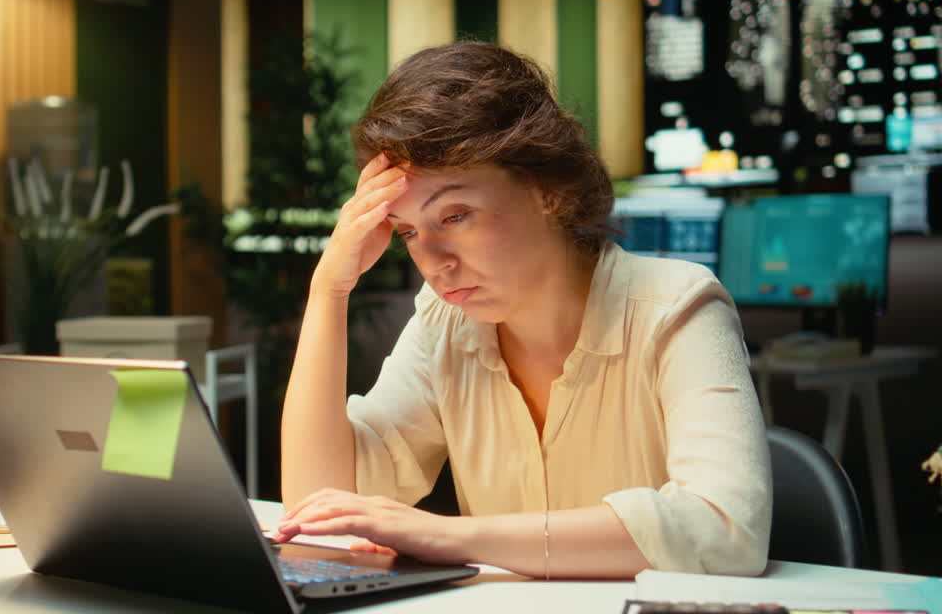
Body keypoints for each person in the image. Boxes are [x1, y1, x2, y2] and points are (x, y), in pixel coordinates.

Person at [274, 41, 770, 579]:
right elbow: (320, 506)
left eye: (455, 215)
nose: (433, 261)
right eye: (407, 231)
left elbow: (726, 530)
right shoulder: (446, 325)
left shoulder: (676, 308)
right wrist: (329, 290)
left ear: (546, 189)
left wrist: (446, 536)